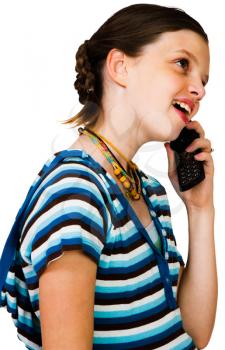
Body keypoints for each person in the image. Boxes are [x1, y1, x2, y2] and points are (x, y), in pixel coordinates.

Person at [0, 3, 217, 349]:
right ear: (120, 67)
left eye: (203, 81)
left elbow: (194, 333)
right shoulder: (75, 193)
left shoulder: (149, 191)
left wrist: (200, 209)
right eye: (182, 64)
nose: (200, 90)